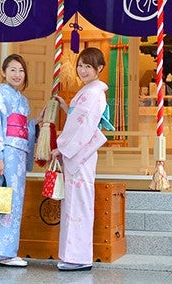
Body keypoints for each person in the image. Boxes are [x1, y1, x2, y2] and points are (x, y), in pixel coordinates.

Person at [0, 54, 41, 267]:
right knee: (5, 200)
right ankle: (2, 252)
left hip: (18, 155)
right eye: (12, 69)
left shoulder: (22, 100)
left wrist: (35, 123)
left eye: (21, 70)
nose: (17, 74)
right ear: (3, 72)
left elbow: (22, 129)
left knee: (3, 200)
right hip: (5, 156)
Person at [51, 47, 110, 271]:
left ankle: (79, 257)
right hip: (78, 154)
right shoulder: (88, 91)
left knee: (79, 204)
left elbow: (84, 126)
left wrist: (62, 147)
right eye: (80, 65)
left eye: (88, 66)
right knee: (74, 204)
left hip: (80, 154)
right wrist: (67, 107)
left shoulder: (94, 93)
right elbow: (78, 119)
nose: (82, 70)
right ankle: (73, 255)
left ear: (99, 69)